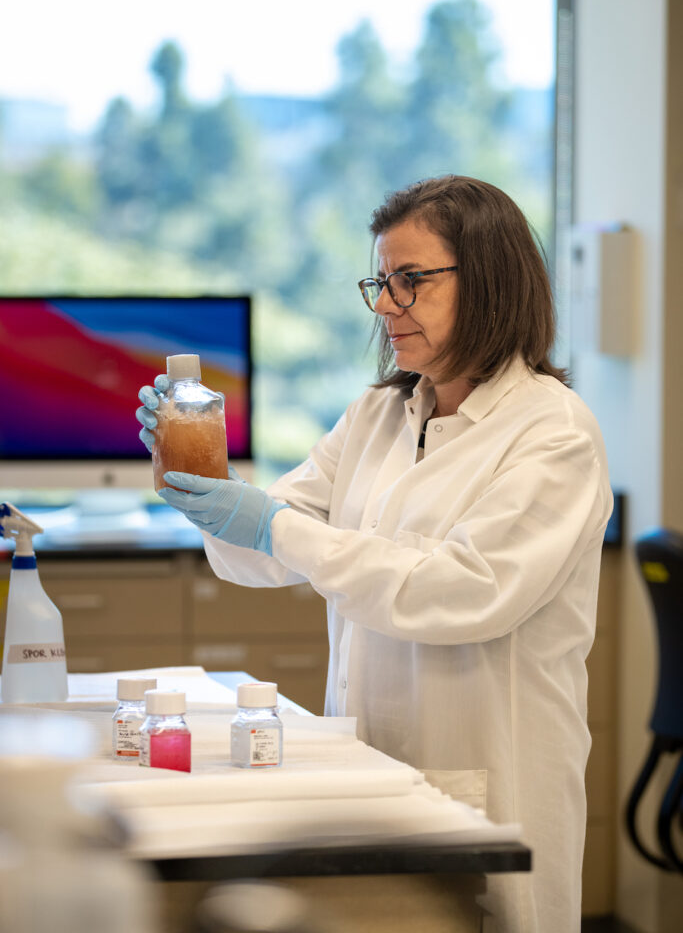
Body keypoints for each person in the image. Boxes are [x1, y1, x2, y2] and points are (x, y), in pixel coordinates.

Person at [137, 175, 613, 933]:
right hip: (368, 765)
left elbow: (459, 594)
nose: (387, 307)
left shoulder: (551, 434)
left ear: (489, 280)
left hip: (490, 774)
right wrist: (203, 487)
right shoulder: (378, 414)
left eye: (412, 281)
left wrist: (270, 525)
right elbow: (266, 552)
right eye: (380, 282)